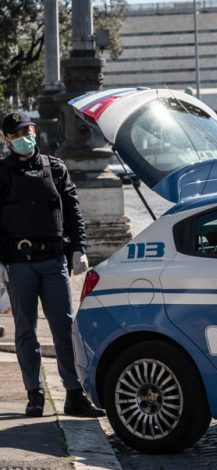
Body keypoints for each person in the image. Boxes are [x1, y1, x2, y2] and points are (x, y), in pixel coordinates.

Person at [0, 112, 103, 417]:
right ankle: (34, 394)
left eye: (28, 131)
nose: (25, 138)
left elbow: (73, 213)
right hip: (19, 263)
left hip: (54, 262)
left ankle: (74, 394)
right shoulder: (2, 174)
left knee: (65, 329)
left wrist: (80, 249)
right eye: (18, 134)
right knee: (25, 332)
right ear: (7, 139)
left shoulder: (55, 168)